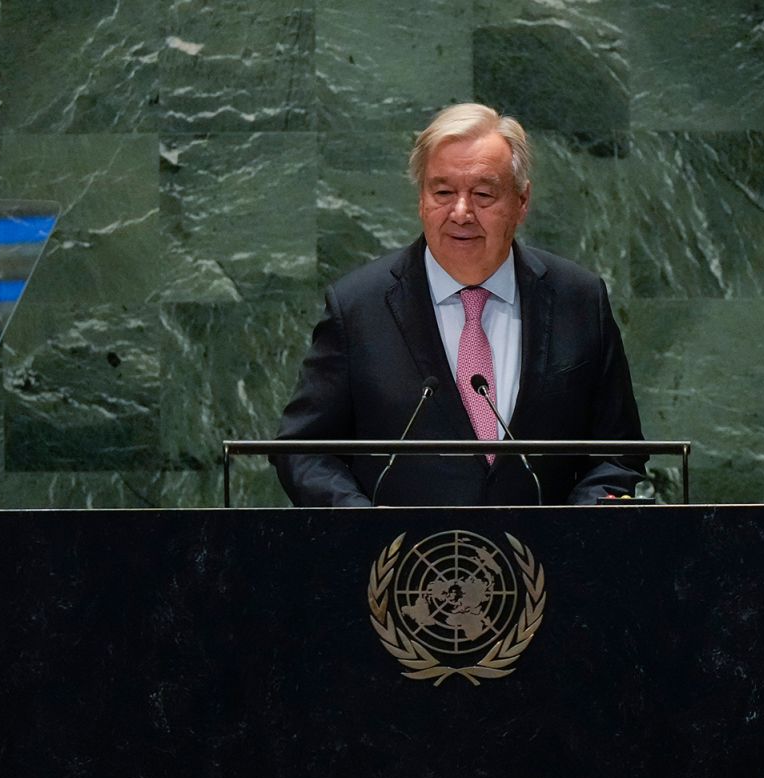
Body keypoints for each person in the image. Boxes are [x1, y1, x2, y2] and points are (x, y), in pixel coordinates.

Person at [273, 102, 646, 506]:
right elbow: (304, 448)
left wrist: (575, 527)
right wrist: (363, 526)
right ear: (421, 200)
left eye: (484, 194)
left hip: (550, 562)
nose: (462, 212)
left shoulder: (579, 298)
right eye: (443, 192)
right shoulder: (359, 306)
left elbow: (616, 452)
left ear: (522, 202)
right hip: (400, 563)